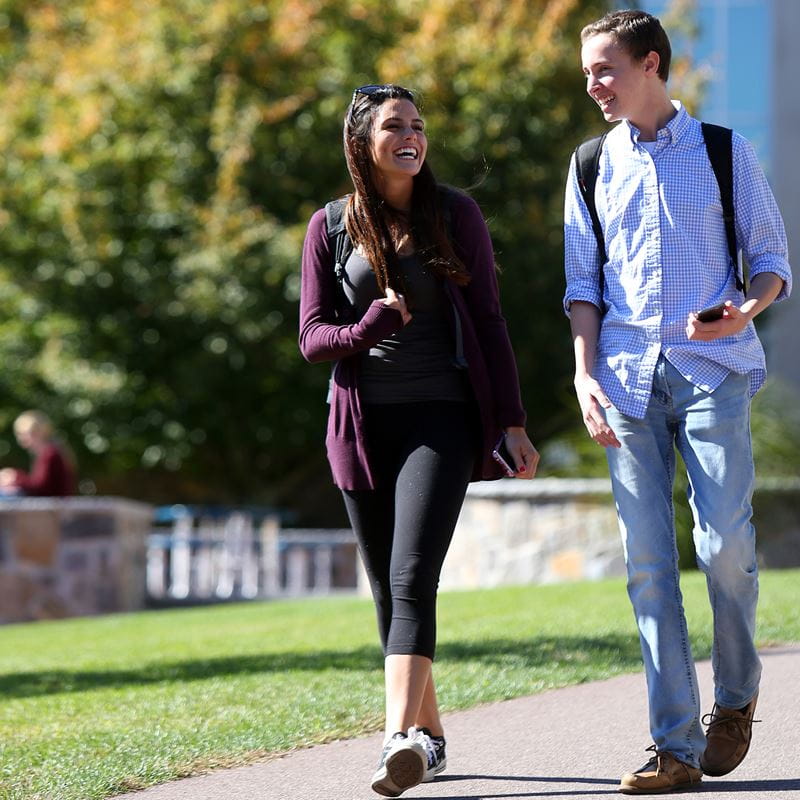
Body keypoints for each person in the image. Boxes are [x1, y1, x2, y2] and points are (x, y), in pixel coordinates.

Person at [564, 9, 792, 794]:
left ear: (651, 64)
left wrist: (746, 310)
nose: (593, 84)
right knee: (648, 563)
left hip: (712, 368)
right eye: (589, 72)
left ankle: (734, 699)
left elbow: (770, 263)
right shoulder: (591, 163)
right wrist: (583, 373)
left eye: (605, 69)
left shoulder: (728, 152)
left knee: (724, 542)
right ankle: (674, 746)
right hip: (624, 379)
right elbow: (582, 286)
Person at [300, 83, 538, 796]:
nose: (412, 136)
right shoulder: (330, 226)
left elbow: (491, 323)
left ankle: (396, 738)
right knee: (386, 590)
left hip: (442, 417)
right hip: (363, 425)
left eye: (419, 126)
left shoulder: (454, 214)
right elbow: (313, 338)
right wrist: (371, 324)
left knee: (411, 578)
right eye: (395, 126)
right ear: (361, 143)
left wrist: (512, 423)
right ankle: (429, 739)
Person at [0, 410, 77, 497]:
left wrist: (15, 477)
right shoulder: (48, 452)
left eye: (24, 434)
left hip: (53, 507)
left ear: (39, 432)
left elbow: (40, 487)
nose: (21, 438)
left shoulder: (50, 454)